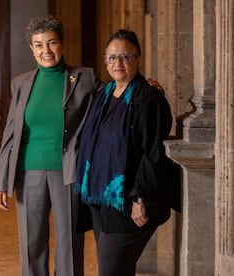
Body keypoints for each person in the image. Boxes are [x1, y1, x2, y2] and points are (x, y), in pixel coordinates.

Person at [0, 15, 103, 276]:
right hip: (28, 172)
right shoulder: (20, 84)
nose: (46, 51)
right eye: (39, 45)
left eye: (51, 43)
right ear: (31, 49)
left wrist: (144, 86)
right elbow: (10, 133)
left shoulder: (85, 78)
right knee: (32, 243)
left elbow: (113, 101)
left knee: (70, 244)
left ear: (61, 44)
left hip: (68, 173)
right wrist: (1, 180)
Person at [76, 29, 177, 276]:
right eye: (111, 57)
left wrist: (139, 198)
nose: (117, 63)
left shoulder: (148, 98)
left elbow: (152, 153)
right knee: (116, 269)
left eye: (125, 57)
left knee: (112, 268)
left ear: (138, 59)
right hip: (101, 201)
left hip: (128, 200)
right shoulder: (104, 95)